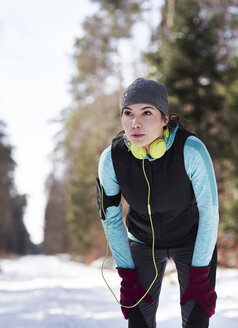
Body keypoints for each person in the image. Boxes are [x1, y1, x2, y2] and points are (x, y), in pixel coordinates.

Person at [96, 78, 219, 328]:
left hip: (192, 241)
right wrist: (126, 273)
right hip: (143, 242)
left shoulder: (190, 149)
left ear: (165, 119)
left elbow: (210, 212)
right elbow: (111, 217)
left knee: (197, 318)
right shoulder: (113, 159)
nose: (135, 122)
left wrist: (199, 273)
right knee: (138, 321)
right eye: (128, 113)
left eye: (147, 112)